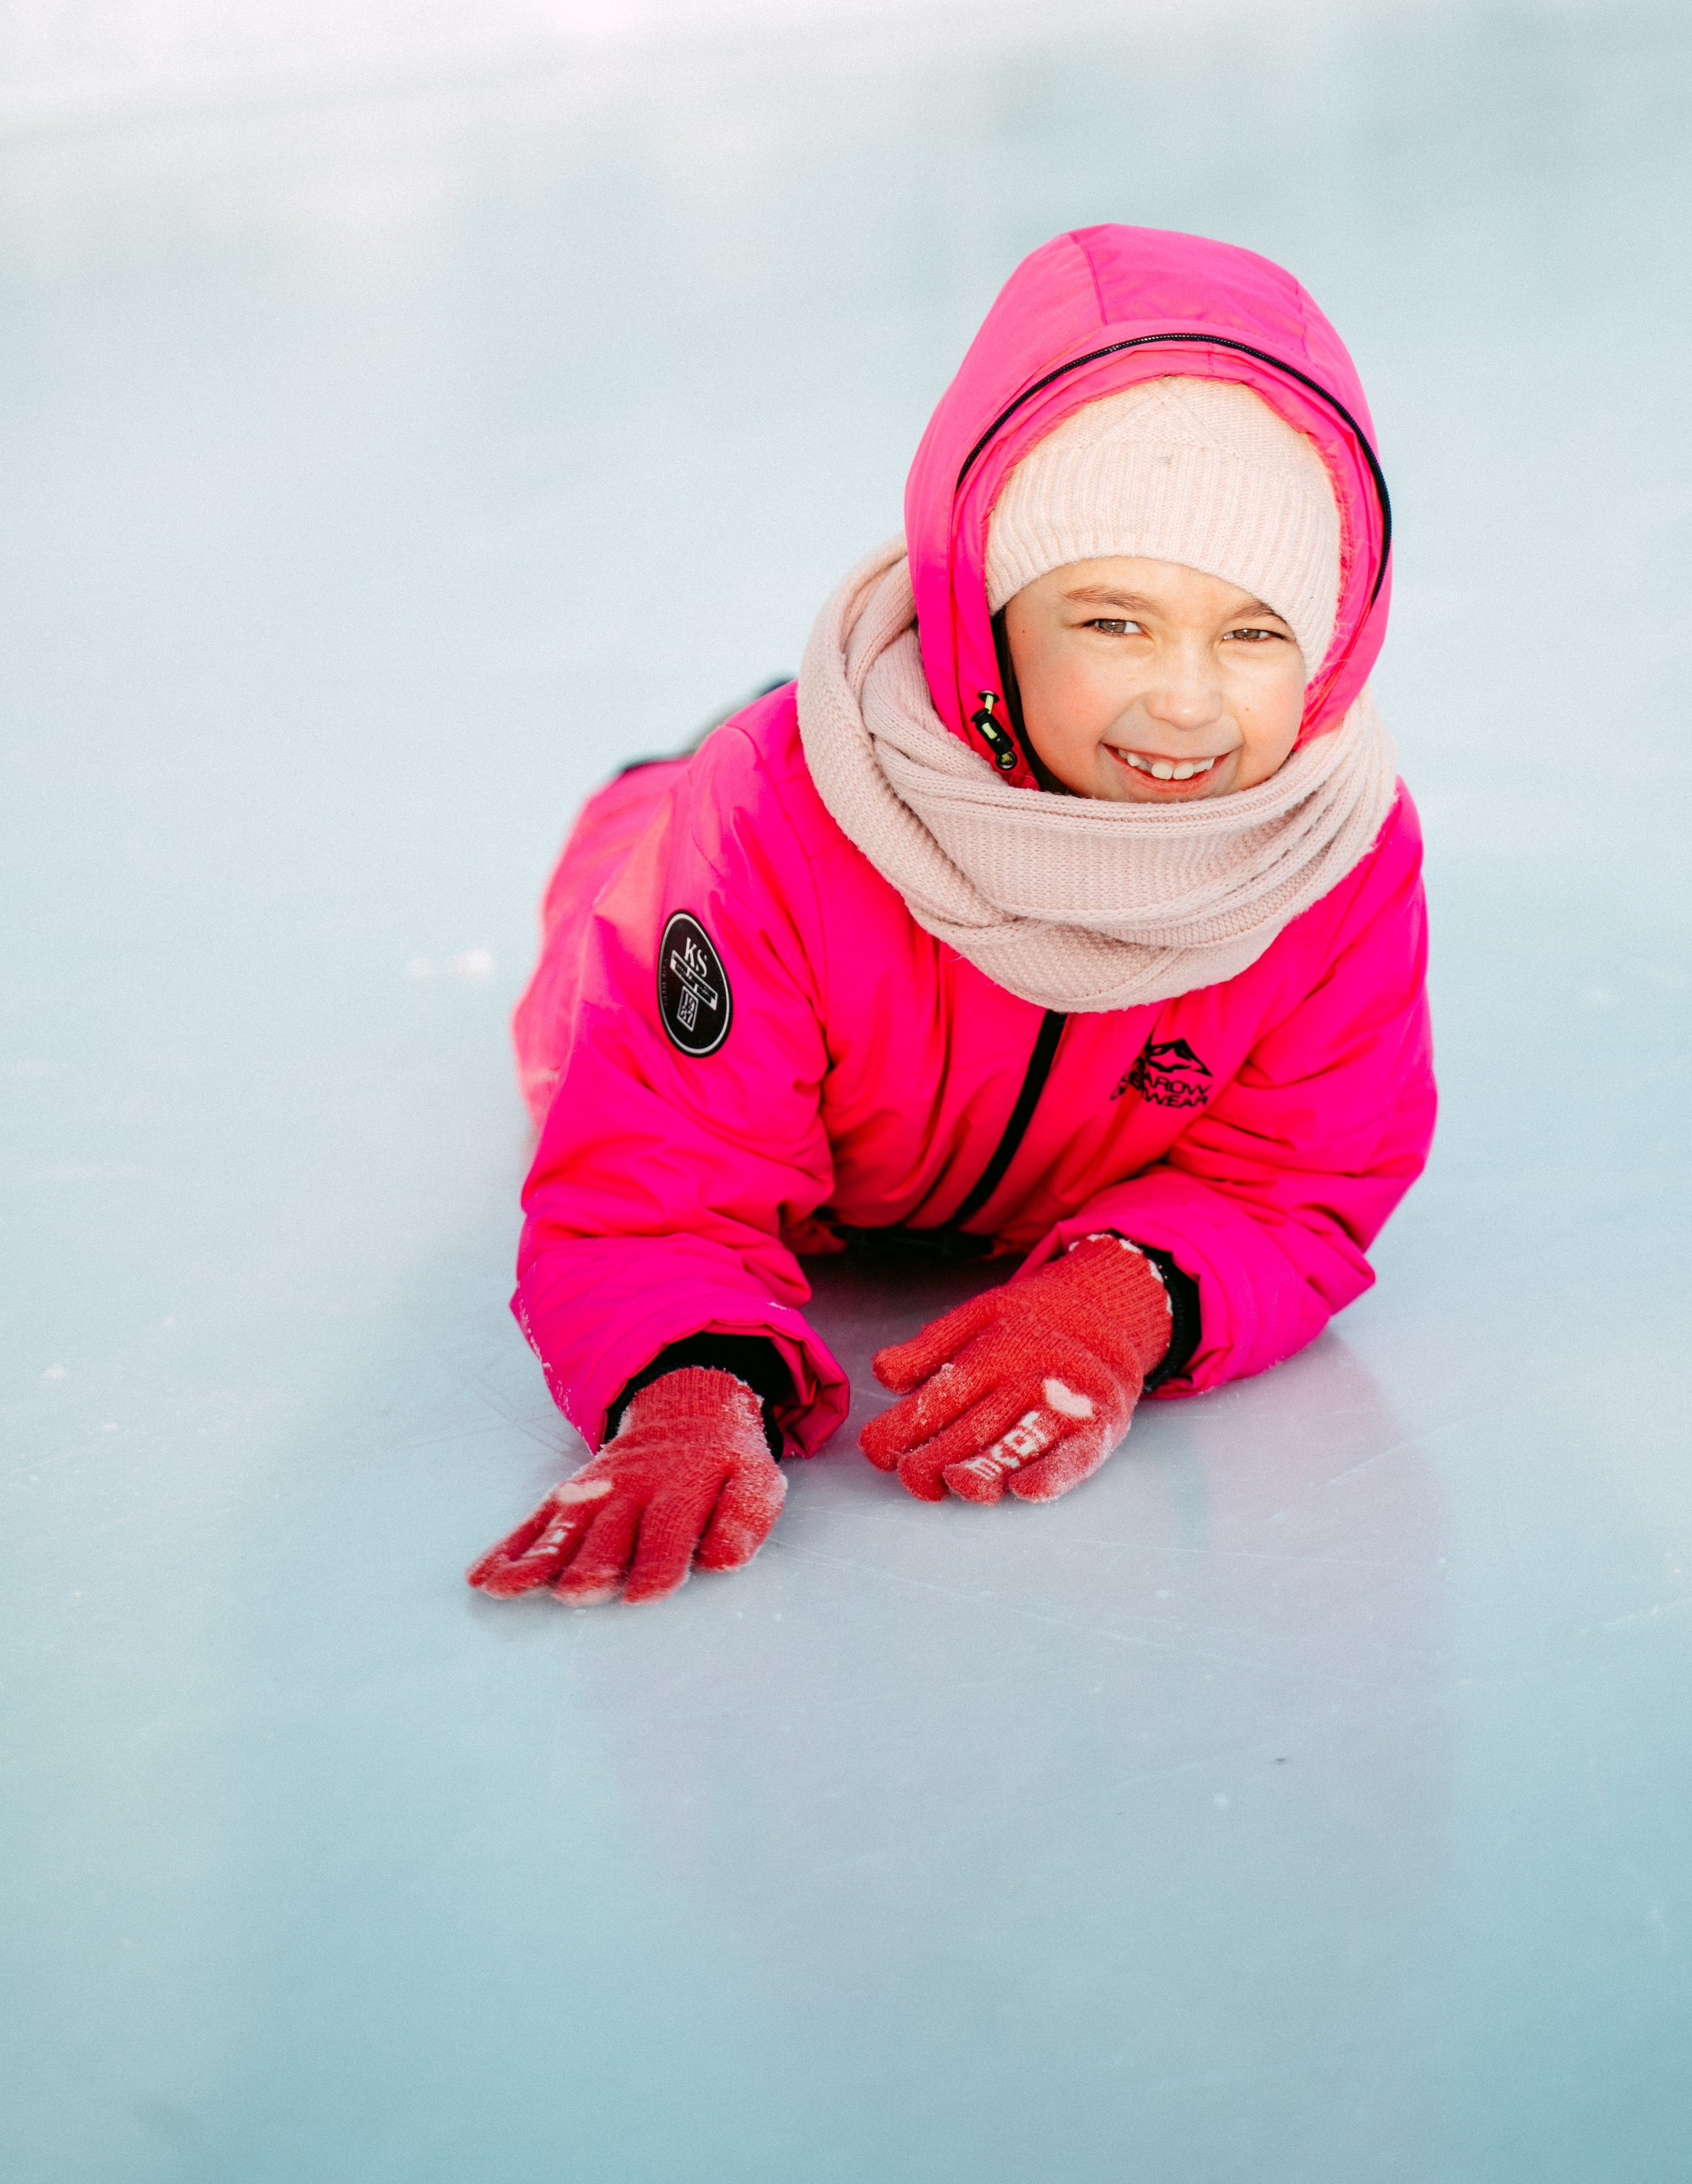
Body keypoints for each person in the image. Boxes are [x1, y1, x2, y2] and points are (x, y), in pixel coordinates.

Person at [469, 224, 1436, 1608]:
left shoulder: (1338, 850)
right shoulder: (765, 818)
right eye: (1112, 622)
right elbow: (653, 1176)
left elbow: (1298, 1178)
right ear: (986, 613)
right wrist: (685, 1382)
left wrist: (1128, 1291)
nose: (1187, 703)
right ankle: (679, 775)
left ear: (1333, 643)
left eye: (1254, 631)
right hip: (707, 836)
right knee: (638, 880)